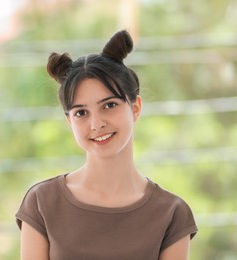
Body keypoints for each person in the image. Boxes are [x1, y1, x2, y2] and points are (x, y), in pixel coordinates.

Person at [15, 30, 198, 260]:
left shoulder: (172, 214)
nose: (96, 123)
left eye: (109, 105)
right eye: (81, 112)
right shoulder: (42, 202)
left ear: (135, 108)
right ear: (69, 120)